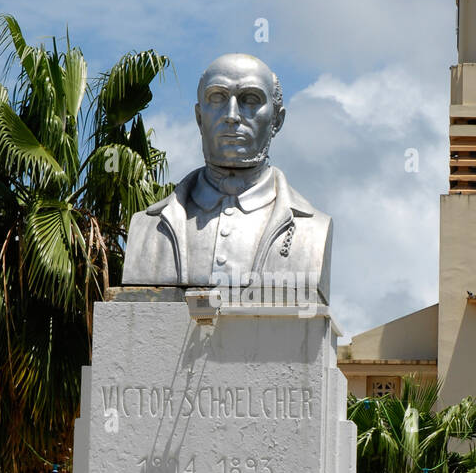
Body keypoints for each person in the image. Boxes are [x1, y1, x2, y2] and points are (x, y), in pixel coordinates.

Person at [121, 54, 332, 302]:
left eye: (250, 99)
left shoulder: (312, 228)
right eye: (218, 98)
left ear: (277, 120)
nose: (232, 115)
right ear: (199, 117)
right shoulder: (148, 227)